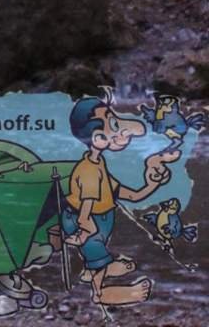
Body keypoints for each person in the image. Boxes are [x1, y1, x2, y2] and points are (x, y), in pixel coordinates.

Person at [61, 96, 175, 307]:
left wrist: (152, 184)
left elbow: (129, 194)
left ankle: (93, 268)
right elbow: (85, 208)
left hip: (100, 219)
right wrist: (85, 227)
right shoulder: (88, 170)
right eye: (112, 126)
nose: (120, 131)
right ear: (96, 138)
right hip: (85, 220)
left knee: (96, 253)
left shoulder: (99, 163)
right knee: (95, 252)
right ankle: (100, 293)